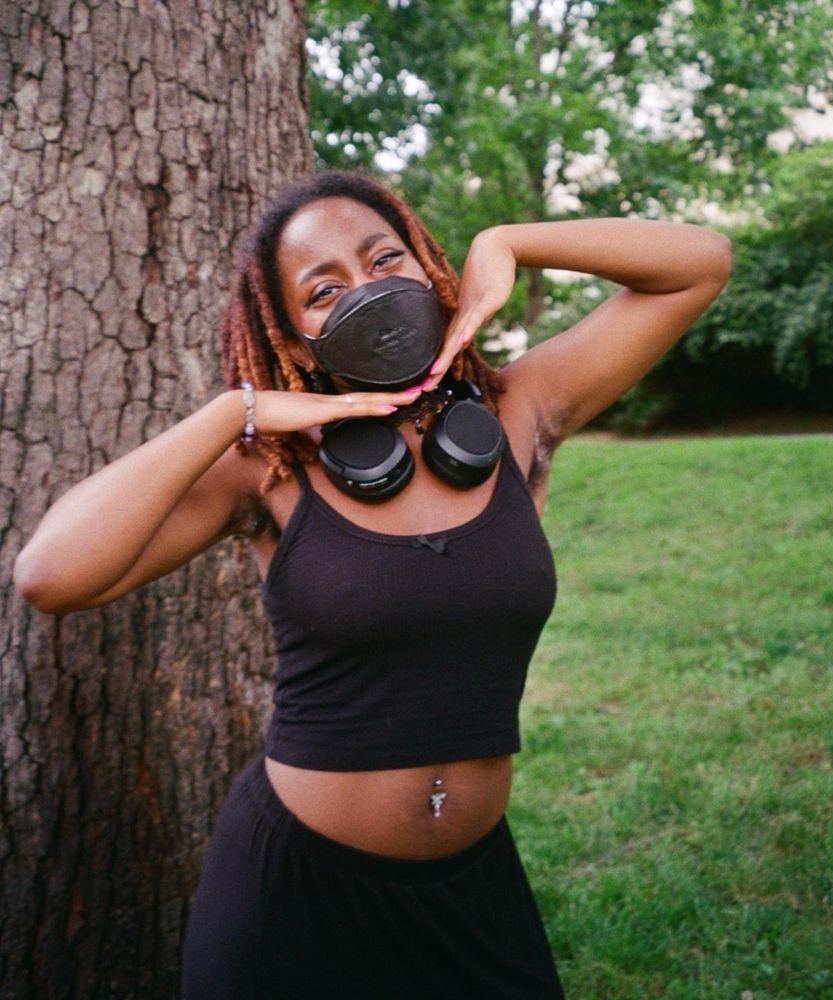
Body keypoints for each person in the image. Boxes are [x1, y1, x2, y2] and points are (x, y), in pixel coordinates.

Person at [14, 170, 731, 999]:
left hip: (473, 891)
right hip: (294, 898)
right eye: (324, 291)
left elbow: (699, 262)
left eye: (385, 257)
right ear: (293, 339)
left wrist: (509, 243)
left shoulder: (518, 409)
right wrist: (234, 412)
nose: (367, 291)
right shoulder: (268, 470)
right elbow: (50, 575)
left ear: (428, 270)